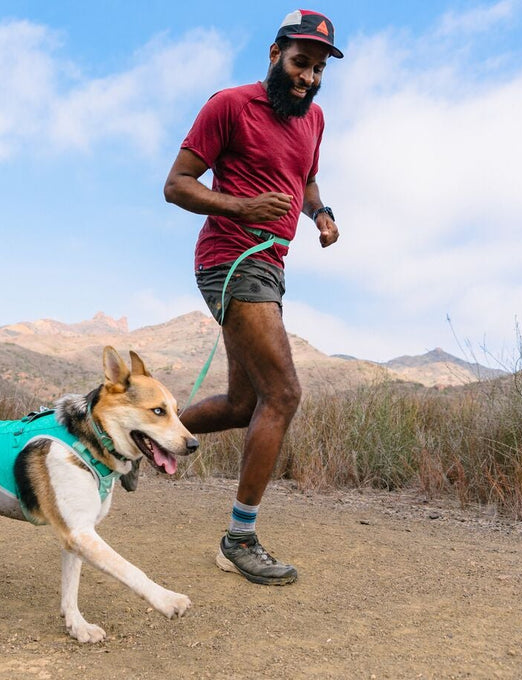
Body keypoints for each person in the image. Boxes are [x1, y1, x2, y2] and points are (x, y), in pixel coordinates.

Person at [163, 9, 342, 586]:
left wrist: (321, 213)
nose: (308, 77)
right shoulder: (230, 106)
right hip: (230, 262)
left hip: (272, 266)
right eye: (300, 63)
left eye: (317, 69)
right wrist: (242, 207)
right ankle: (239, 538)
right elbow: (176, 184)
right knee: (284, 394)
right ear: (274, 54)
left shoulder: (313, 119)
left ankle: (136, 440)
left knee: (246, 405)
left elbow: (306, 177)